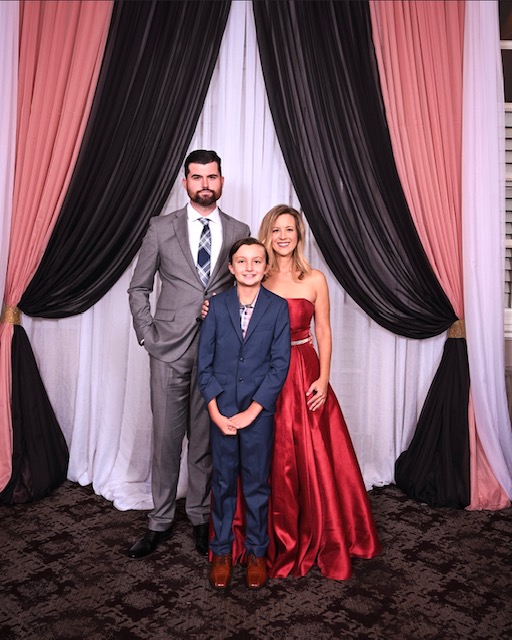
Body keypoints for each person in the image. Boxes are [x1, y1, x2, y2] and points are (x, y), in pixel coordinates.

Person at [127, 150, 250, 559]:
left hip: (217, 352)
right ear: (185, 183)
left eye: (211, 177)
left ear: (221, 181)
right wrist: (148, 335)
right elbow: (138, 287)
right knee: (165, 439)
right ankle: (160, 520)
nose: (204, 184)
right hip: (168, 349)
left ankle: (199, 517)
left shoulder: (239, 230)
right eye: (197, 177)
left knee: (204, 439)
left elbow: (245, 286)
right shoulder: (161, 228)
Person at [197, 238, 290, 590]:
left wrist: (253, 411)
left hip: (258, 414)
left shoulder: (277, 308)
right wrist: (215, 412)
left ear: (266, 267)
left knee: (256, 484)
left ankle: (256, 552)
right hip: (221, 411)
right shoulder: (217, 306)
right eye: (242, 261)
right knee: (222, 482)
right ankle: (221, 551)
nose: (249, 267)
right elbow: (204, 365)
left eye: (256, 261)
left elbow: (279, 366)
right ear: (231, 267)